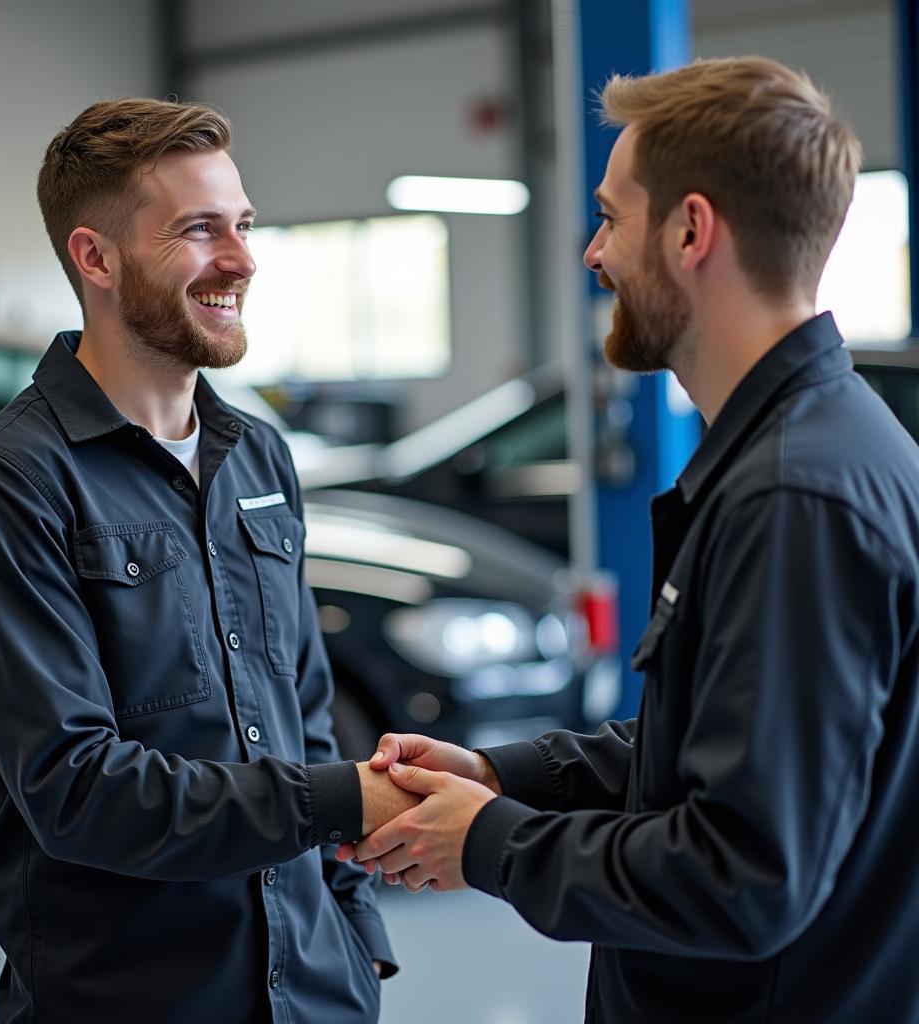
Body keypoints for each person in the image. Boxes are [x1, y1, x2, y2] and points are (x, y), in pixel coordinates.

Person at [343, 56, 919, 1022]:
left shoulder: (794, 499)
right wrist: (501, 776)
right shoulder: (807, 451)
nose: (593, 255)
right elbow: (706, 752)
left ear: (691, 229)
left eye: (610, 217)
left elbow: (744, 876)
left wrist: (491, 843)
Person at [0, 98, 418, 1024]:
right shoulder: (10, 484)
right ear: (95, 257)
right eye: (198, 229)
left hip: (312, 996)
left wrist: (357, 951)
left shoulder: (259, 459)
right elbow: (76, 788)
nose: (241, 259)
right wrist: (352, 798)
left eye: (243, 225)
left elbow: (304, 723)